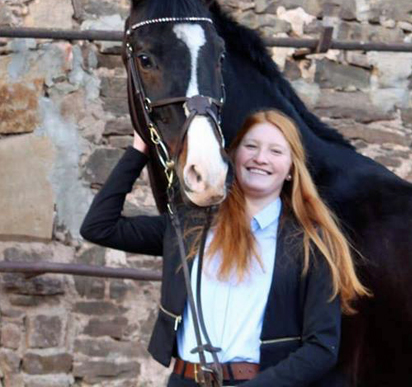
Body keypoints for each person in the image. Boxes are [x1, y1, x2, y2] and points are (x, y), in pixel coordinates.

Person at [80, 109, 369, 387]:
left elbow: (321, 348)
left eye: (276, 151)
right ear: (232, 155)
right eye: (251, 146)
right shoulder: (190, 226)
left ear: (291, 169)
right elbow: (98, 227)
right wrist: (139, 150)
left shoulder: (311, 244)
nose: (260, 158)